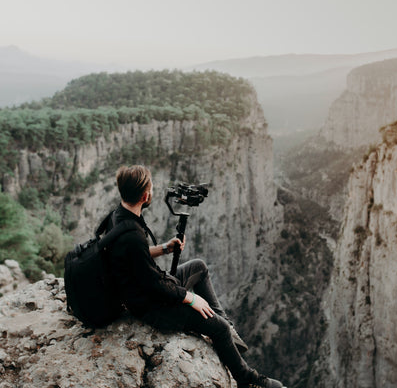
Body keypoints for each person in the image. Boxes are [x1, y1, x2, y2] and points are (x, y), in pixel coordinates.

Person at [108, 165, 285, 388]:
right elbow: (153, 284)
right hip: (151, 306)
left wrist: (164, 248)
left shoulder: (118, 217)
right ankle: (248, 380)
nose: (153, 192)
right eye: (151, 188)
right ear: (145, 196)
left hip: (146, 289)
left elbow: (136, 257)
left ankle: (227, 329)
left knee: (199, 267)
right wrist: (189, 298)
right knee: (217, 328)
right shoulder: (132, 235)